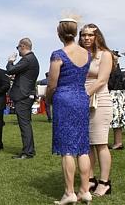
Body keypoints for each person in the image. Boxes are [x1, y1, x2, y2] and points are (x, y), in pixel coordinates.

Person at [46, 18, 92, 205]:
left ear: (59, 34)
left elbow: (52, 84)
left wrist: (48, 99)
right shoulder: (87, 54)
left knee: (67, 149)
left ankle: (69, 192)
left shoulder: (58, 54)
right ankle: (85, 191)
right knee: (82, 147)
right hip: (81, 98)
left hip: (64, 99)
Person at [79, 23, 113, 197]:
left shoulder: (105, 55)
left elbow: (101, 80)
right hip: (82, 101)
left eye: (90, 35)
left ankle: (105, 182)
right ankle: (90, 178)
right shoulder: (80, 55)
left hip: (99, 100)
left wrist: (81, 96)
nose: (87, 38)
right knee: (86, 143)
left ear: (97, 36)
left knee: (100, 143)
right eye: (84, 35)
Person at [5, 37, 40, 159]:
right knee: (26, 124)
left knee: (24, 124)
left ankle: (28, 152)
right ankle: (29, 150)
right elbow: (24, 76)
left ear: (23, 46)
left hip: (23, 96)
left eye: (18, 47)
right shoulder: (32, 59)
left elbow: (10, 70)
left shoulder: (27, 59)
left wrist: (10, 61)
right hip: (26, 95)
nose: (17, 50)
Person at [108, 54, 125, 150]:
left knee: (114, 121)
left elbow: (110, 84)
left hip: (112, 95)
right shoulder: (118, 69)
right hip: (119, 96)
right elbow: (124, 85)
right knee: (117, 122)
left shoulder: (112, 70)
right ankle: (118, 142)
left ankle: (117, 143)